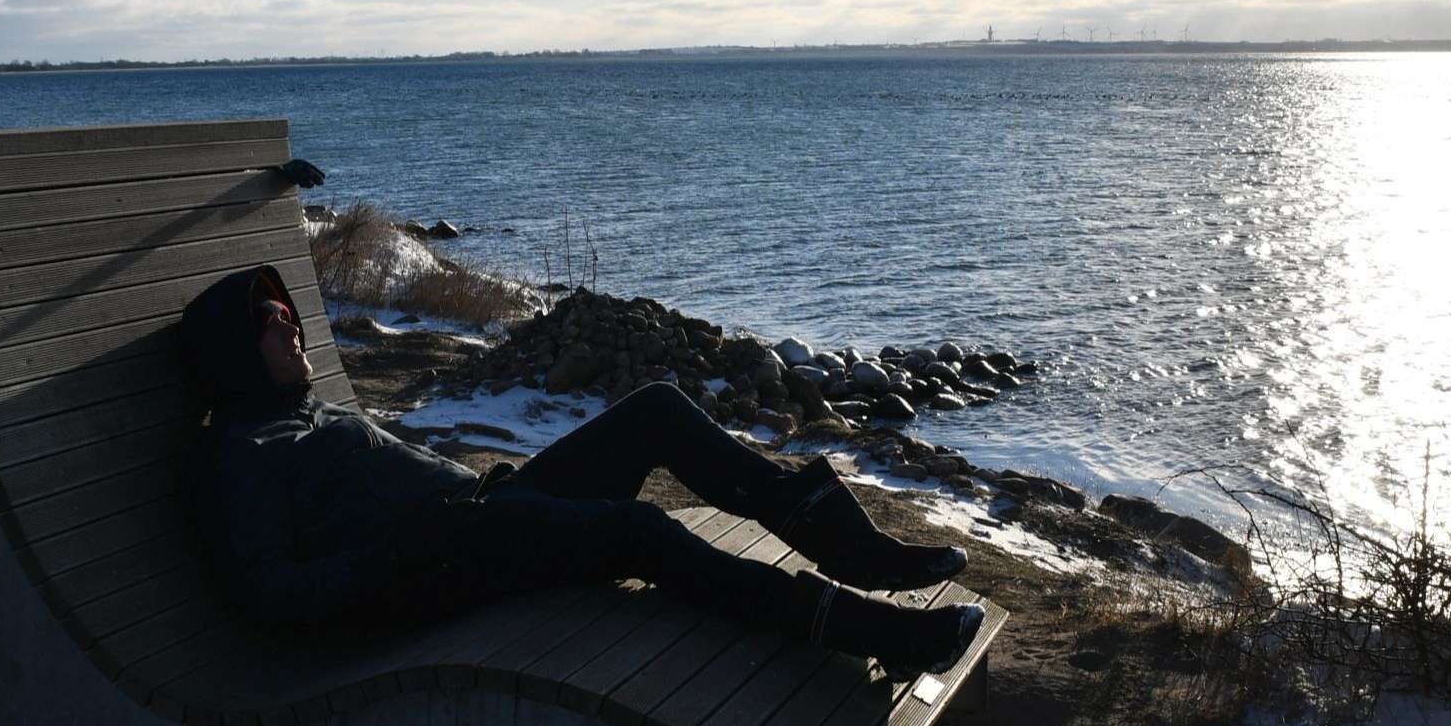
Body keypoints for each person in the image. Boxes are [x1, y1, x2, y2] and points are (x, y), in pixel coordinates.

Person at [180, 264, 986, 678]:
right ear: (232, 354)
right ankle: (864, 629)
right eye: (273, 323)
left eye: (292, 316)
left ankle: (853, 549)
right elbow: (270, 594)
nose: (293, 331)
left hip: (481, 513)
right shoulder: (243, 456)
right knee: (637, 533)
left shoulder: (304, 412)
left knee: (658, 406)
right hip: (436, 570)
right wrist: (402, 549)